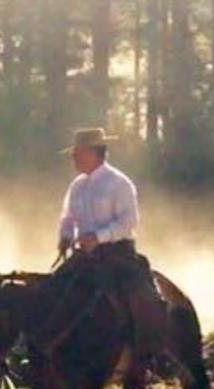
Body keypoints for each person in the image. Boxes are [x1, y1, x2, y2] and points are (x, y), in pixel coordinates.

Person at [38, 128, 165, 362]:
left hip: (116, 253)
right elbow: (67, 217)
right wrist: (65, 236)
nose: (73, 158)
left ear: (93, 153)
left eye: (77, 153)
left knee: (138, 297)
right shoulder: (77, 185)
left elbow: (129, 223)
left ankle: (149, 348)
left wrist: (99, 237)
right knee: (54, 290)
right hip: (85, 255)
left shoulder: (119, 183)